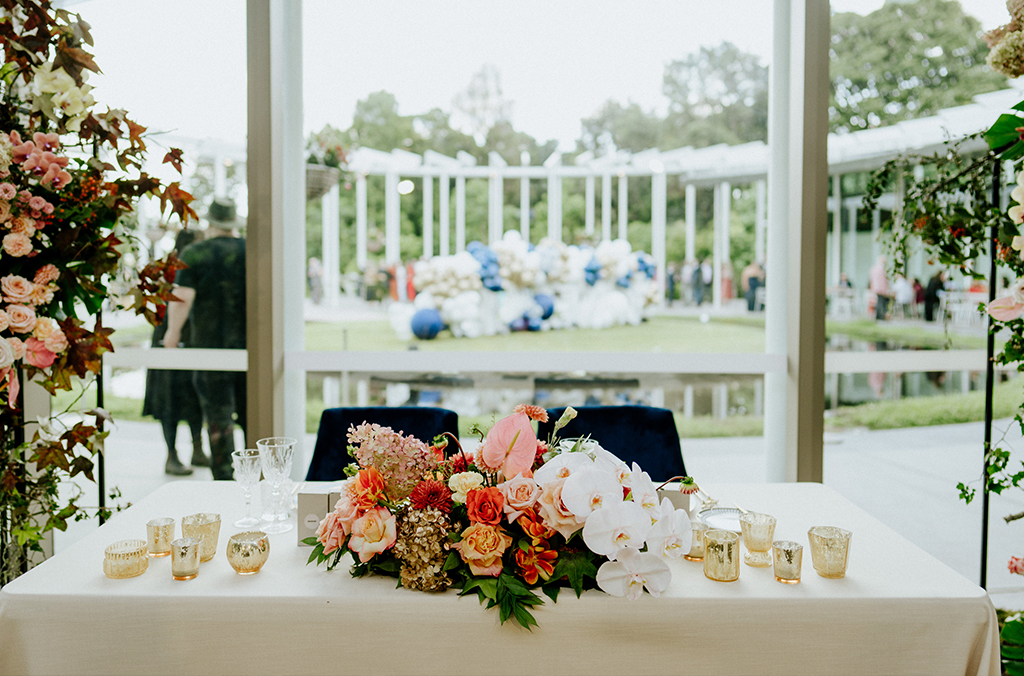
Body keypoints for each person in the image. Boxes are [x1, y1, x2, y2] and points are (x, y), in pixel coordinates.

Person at [164, 197, 247, 480]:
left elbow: (182, 298)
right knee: (253, 416)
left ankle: (224, 479)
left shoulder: (195, 253)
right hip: (252, 349)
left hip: (209, 350)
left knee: (218, 419)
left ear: (211, 222)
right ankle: (258, 480)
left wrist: (172, 334)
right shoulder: (252, 250)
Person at [142, 229, 209, 476]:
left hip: (192, 338)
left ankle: (197, 449)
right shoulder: (167, 273)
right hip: (167, 339)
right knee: (168, 398)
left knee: (194, 396)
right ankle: (171, 455)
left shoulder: (196, 271)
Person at [869, 255, 891, 320]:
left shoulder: (873, 268)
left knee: (879, 301)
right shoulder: (882, 269)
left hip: (876, 287)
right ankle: (880, 316)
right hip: (881, 288)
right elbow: (884, 280)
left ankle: (879, 315)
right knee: (880, 302)